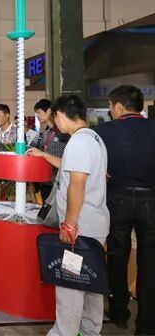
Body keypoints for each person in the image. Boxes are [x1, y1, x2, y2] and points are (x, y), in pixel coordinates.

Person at [44, 95, 109, 336]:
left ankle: (64, 332)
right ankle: (90, 329)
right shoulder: (94, 138)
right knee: (91, 281)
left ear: (61, 115)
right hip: (94, 224)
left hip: (80, 229)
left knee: (70, 285)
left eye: (55, 117)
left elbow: (77, 184)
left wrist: (69, 224)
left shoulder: (78, 142)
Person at [95, 85, 155, 334]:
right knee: (150, 264)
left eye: (110, 106)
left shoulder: (103, 131)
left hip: (117, 199)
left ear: (119, 106)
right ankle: (147, 325)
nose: (110, 111)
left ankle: (119, 311)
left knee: (117, 258)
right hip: (151, 200)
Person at [27, 99, 69, 199]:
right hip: (46, 179)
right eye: (36, 113)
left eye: (39, 112)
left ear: (49, 111)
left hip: (60, 180)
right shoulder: (45, 132)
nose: (37, 115)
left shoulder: (63, 132)